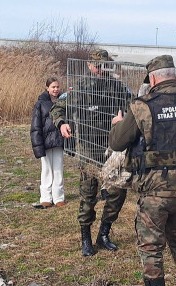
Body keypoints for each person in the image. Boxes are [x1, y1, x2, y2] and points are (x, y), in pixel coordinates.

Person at [109, 55, 176, 286]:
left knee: (151, 244)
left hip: (156, 188)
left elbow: (118, 143)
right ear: (173, 75)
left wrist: (118, 125)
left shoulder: (143, 106)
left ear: (152, 78)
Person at [51, 49, 130, 257]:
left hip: (113, 148)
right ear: (89, 65)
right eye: (97, 65)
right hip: (88, 149)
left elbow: (132, 107)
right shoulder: (79, 87)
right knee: (88, 195)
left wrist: (124, 121)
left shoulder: (116, 86)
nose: (101, 69)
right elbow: (57, 109)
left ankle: (104, 233)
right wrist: (62, 124)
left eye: (104, 65)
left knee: (117, 192)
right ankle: (86, 237)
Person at [30, 77, 65, 208]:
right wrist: (37, 145)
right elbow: (35, 126)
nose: (56, 89)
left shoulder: (64, 101)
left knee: (58, 169)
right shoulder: (40, 104)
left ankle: (58, 197)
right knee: (46, 170)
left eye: (57, 87)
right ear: (47, 88)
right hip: (45, 141)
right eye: (53, 87)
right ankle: (45, 197)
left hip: (59, 140)